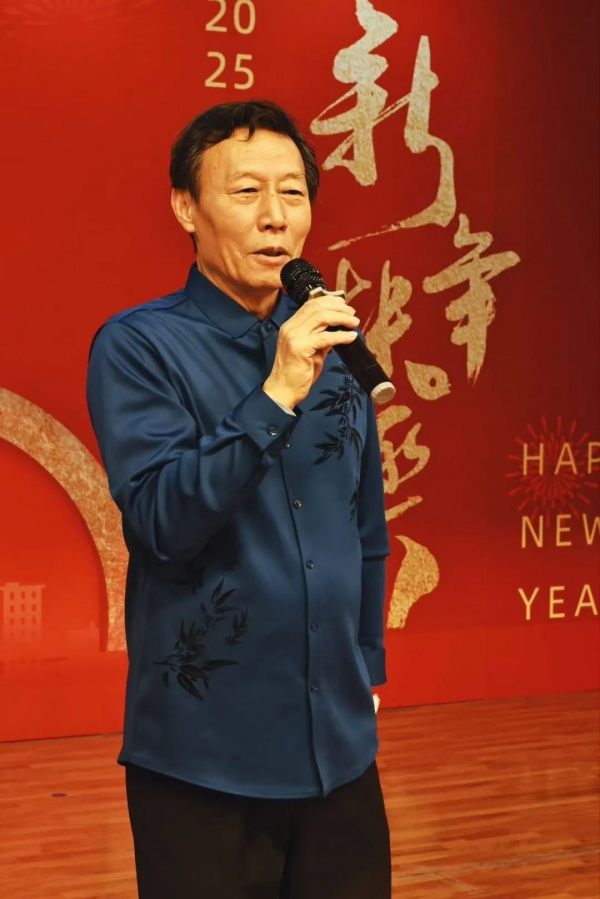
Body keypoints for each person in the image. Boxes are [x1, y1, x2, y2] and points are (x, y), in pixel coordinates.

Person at [87, 99, 392, 899]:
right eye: (247, 191)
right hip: (204, 756)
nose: (275, 217)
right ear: (186, 207)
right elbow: (163, 521)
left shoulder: (334, 344)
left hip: (340, 753)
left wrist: (366, 666)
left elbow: (364, 528)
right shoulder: (139, 346)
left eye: (293, 193)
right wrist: (277, 390)